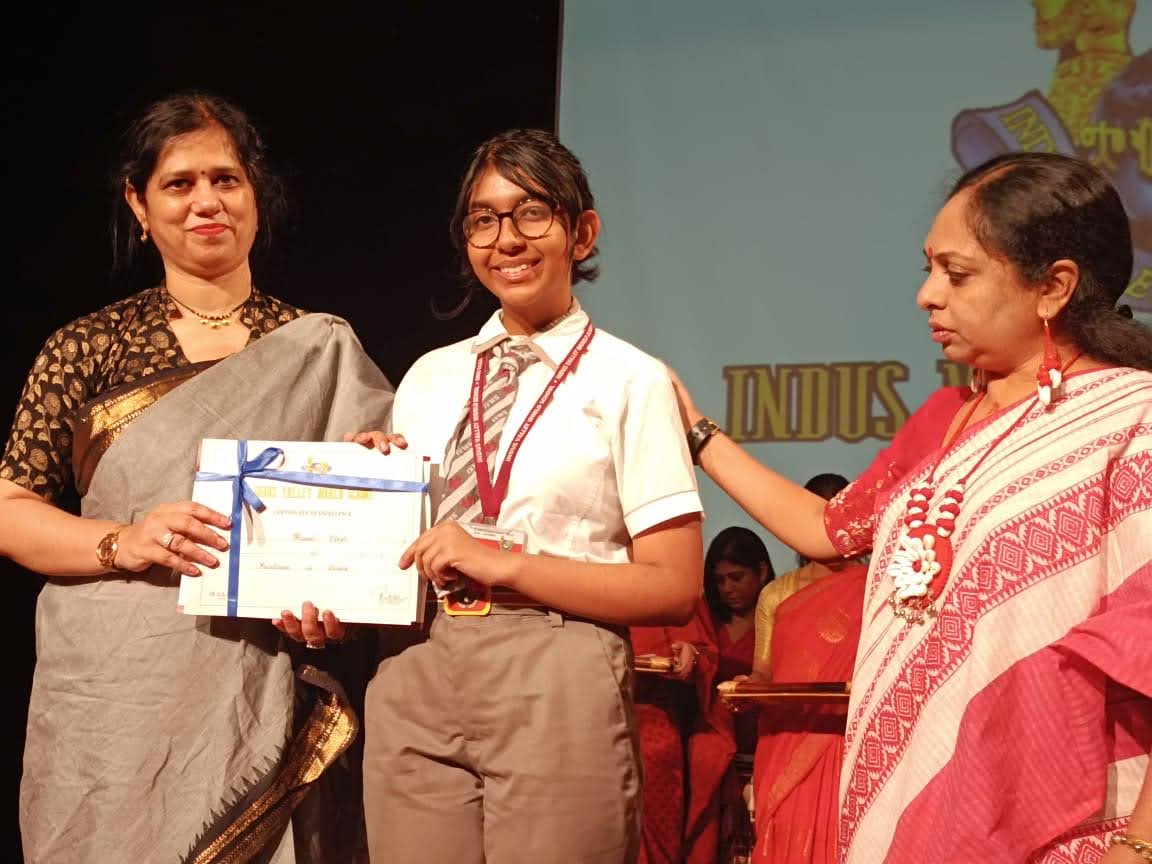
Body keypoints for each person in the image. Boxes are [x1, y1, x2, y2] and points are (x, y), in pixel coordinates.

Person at [670, 152, 1152, 863]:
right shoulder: (945, 418)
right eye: (928, 269)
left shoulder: (1133, 420)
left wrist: (1140, 845)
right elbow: (825, 529)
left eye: (957, 274)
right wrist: (695, 431)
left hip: (1072, 825)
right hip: (910, 803)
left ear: (1053, 287)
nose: (927, 295)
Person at [3, 91, 393, 864]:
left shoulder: (317, 348)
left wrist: (366, 513)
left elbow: (358, 538)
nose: (206, 201)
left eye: (226, 179)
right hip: (113, 691)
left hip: (261, 684)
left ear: (256, 194)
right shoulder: (87, 348)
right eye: (179, 183)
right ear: (139, 205)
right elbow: (11, 509)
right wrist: (123, 540)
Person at [360, 128, 704, 863]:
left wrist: (507, 563)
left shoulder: (630, 379)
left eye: (532, 213)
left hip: (556, 664)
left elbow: (674, 587)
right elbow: (401, 551)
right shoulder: (428, 377)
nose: (506, 239)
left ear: (583, 233)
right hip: (416, 664)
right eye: (483, 219)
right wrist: (356, 507)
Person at [738, 472, 867, 864]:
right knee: (785, 832)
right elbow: (763, 674)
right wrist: (746, 688)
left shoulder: (876, 585)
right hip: (787, 737)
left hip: (849, 738)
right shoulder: (778, 593)